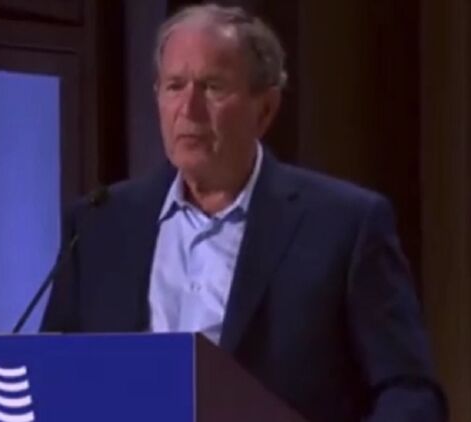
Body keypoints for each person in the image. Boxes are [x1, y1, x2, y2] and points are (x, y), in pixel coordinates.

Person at [40, 3, 445, 421]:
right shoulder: (99, 223)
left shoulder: (344, 225)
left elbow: (410, 392)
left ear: (264, 109)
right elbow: (48, 376)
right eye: (175, 86)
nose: (188, 109)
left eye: (212, 87)